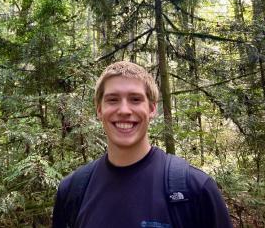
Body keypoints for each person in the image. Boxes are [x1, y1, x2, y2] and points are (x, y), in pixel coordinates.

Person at [52, 61, 233, 228]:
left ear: (152, 108)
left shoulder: (195, 189)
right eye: (113, 99)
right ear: (99, 110)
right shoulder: (72, 192)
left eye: (135, 99)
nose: (124, 110)